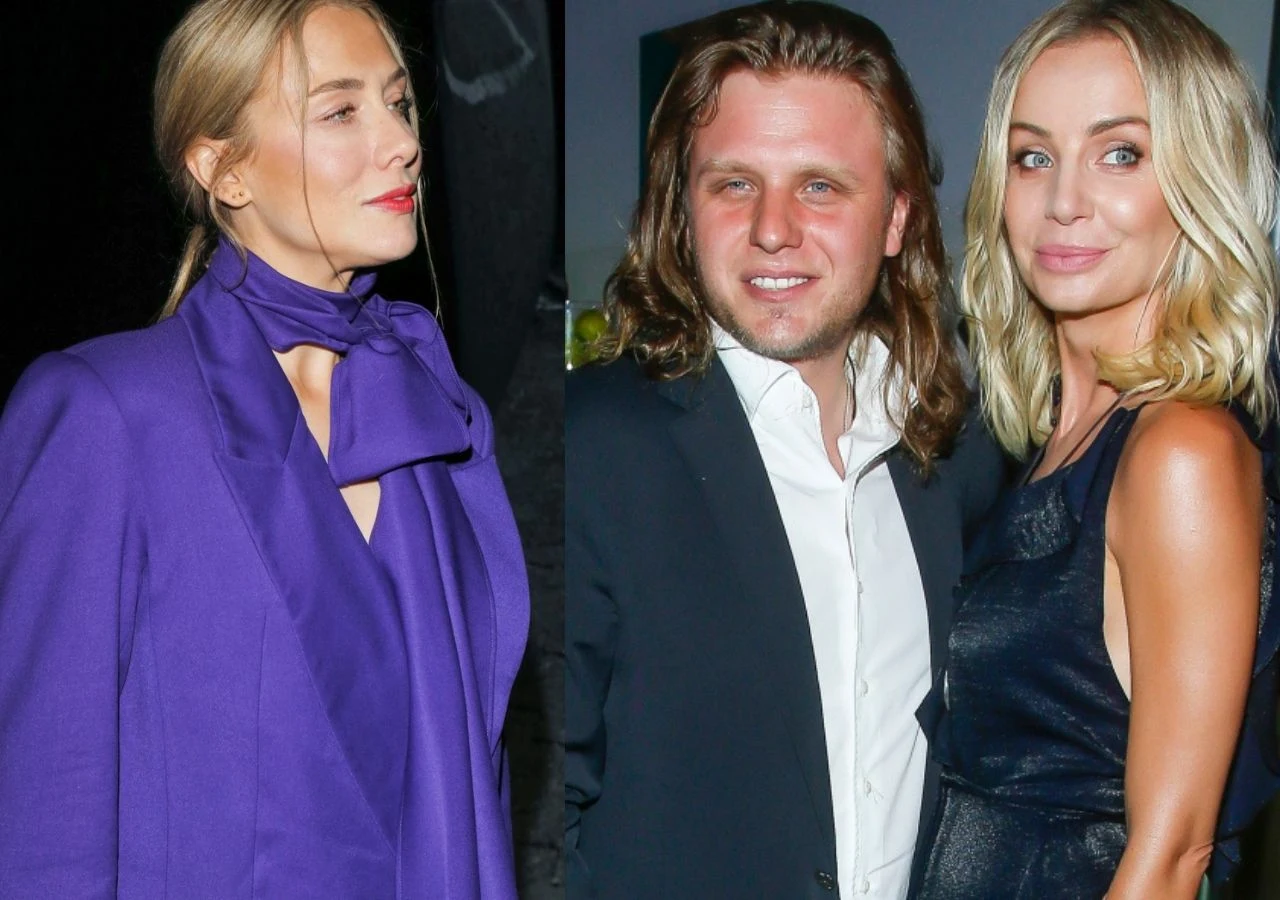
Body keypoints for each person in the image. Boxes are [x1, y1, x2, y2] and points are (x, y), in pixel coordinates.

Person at [0, 1, 528, 896]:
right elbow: (45, 816)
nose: (402, 143)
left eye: (399, 103)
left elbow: (478, 780)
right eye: (341, 111)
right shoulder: (107, 415)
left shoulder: (437, 414)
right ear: (224, 169)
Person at [564, 3, 1005, 897]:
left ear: (895, 217)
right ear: (684, 212)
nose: (773, 228)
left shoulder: (956, 455)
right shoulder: (588, 450)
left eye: (821, 187)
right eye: (734, 184)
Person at [915, 1, 1280, 897]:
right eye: (1033, 157)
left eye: (1121, 154)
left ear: (1200, 181)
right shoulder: (1052, 448)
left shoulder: (1181, 453)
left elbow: (1171, 855)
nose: (1064, 201)